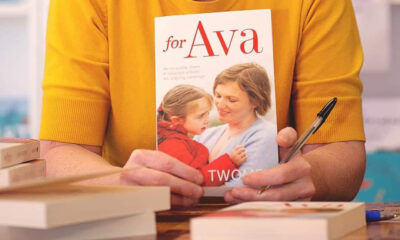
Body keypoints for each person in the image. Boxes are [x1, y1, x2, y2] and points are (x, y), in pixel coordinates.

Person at [40, 0, 366, 206]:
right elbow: (57, 154)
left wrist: (311, 175)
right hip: (131, 225)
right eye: (217, 99)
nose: (220, 107)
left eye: (228, 100)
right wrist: (118, 182)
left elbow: (344, 155)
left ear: (255, 102)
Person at [195, 63, 278, 187]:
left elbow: (241, 187)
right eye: (218, 96)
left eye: (231, 100)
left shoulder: (267, 135)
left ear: (255, 101)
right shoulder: (204, 134)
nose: (220, 104)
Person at [157, 84, 247, 186]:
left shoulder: (175, 139)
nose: (207, 120)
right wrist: (230, 162)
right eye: (201, 116)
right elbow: (196, 181)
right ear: (177, 120)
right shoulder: (173, 146)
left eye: (207, 114)